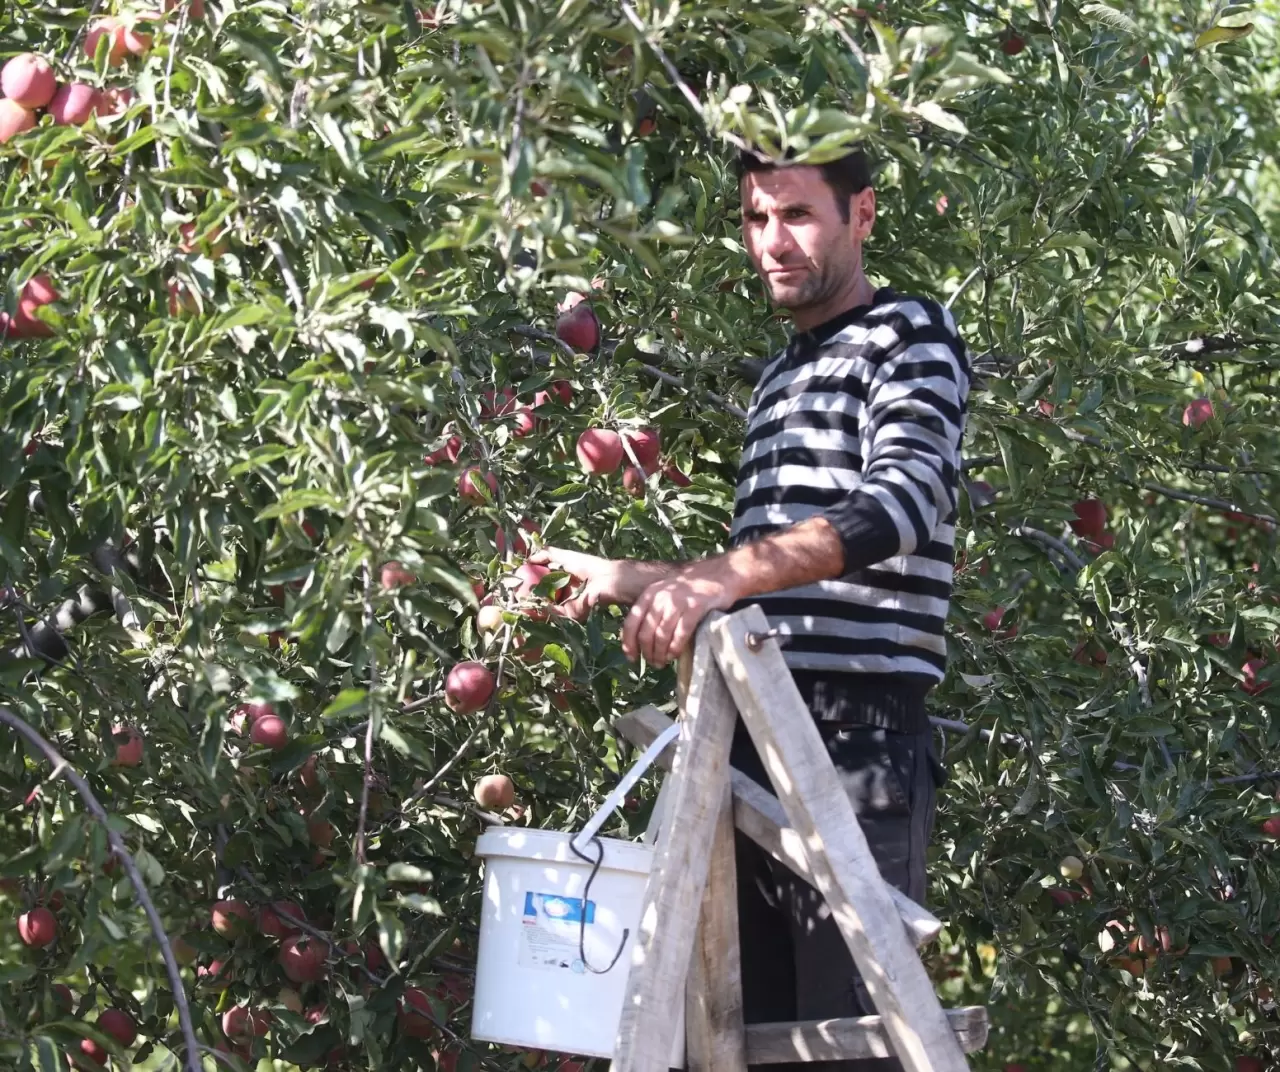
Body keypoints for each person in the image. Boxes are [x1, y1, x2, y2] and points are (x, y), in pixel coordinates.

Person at [531, 145, 970, 1071]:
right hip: (745, 735)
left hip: (851, 740)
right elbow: (766, 575)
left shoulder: (907, 335)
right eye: (754, 219)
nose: (772, 241)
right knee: (733, 1039)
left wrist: (719, 579)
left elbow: (902, 503)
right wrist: (634, 575)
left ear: (863, 215)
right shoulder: (778, 383)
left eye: (798, 215)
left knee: (850, 1045)